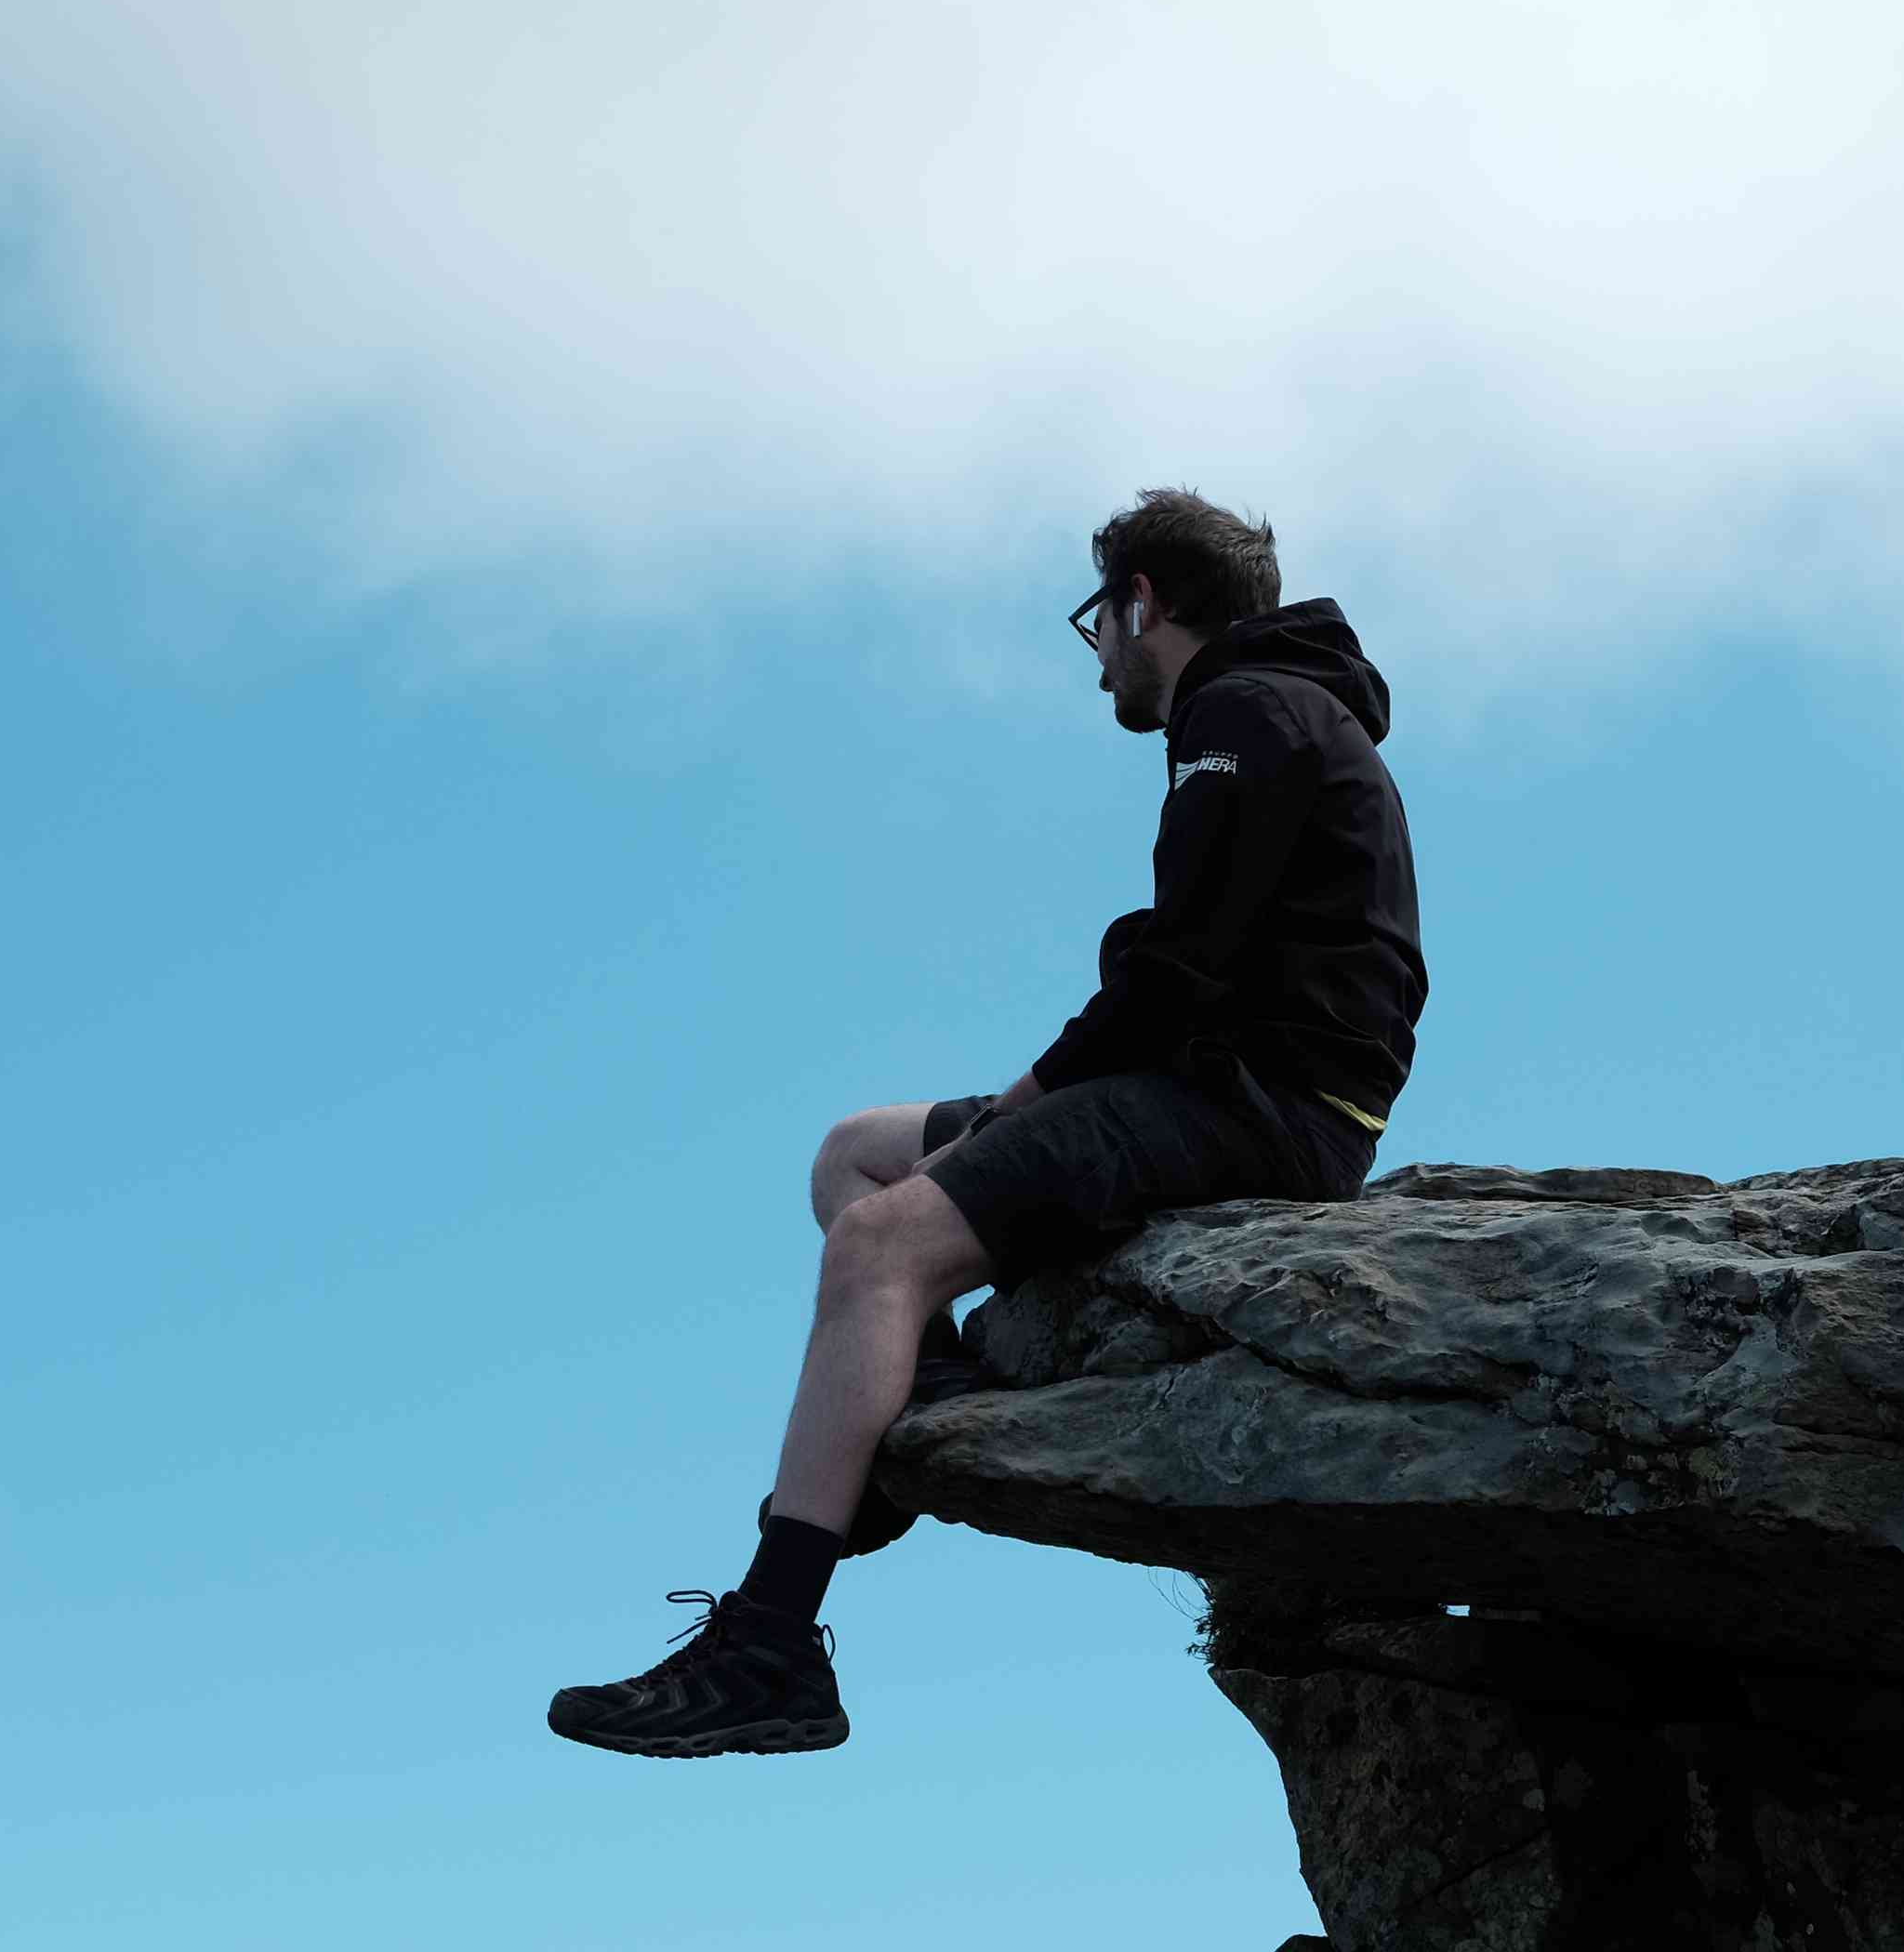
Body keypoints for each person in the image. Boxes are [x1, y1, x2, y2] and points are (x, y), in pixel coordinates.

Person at [547, 488, 1426, 1758]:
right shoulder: (1280, 708)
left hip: (1255, 1106)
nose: (1099, 658)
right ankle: (925, 1384)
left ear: (1141, 604)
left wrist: (1008, 1118)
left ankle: (771, 1645)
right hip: (1236, 1084)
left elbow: (1172, 977)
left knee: (878, 1244)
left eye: (1097, 621)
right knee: (854, 1153)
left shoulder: (1244, 712)